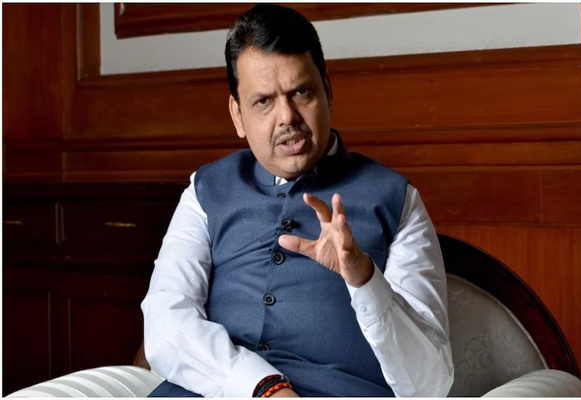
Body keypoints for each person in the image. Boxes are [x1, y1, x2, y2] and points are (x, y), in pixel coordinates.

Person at [142, 4, 453, 397]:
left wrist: (364, 277)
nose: (287, 117)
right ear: (237, 115)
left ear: (328, 91)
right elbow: (165, 323)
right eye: (263, 101)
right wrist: (263, 387)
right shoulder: (205, 192)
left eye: (301, 92)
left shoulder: (396, 200)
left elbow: (430, 384)